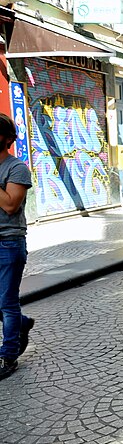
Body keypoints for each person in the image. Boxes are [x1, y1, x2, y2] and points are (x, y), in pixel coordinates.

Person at [0, 113, 34, 379]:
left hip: (8, 243)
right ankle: (22, 325)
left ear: (8, 139)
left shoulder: (17, 168)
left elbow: (11, 205)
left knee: (7, 302)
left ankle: (8, 356)